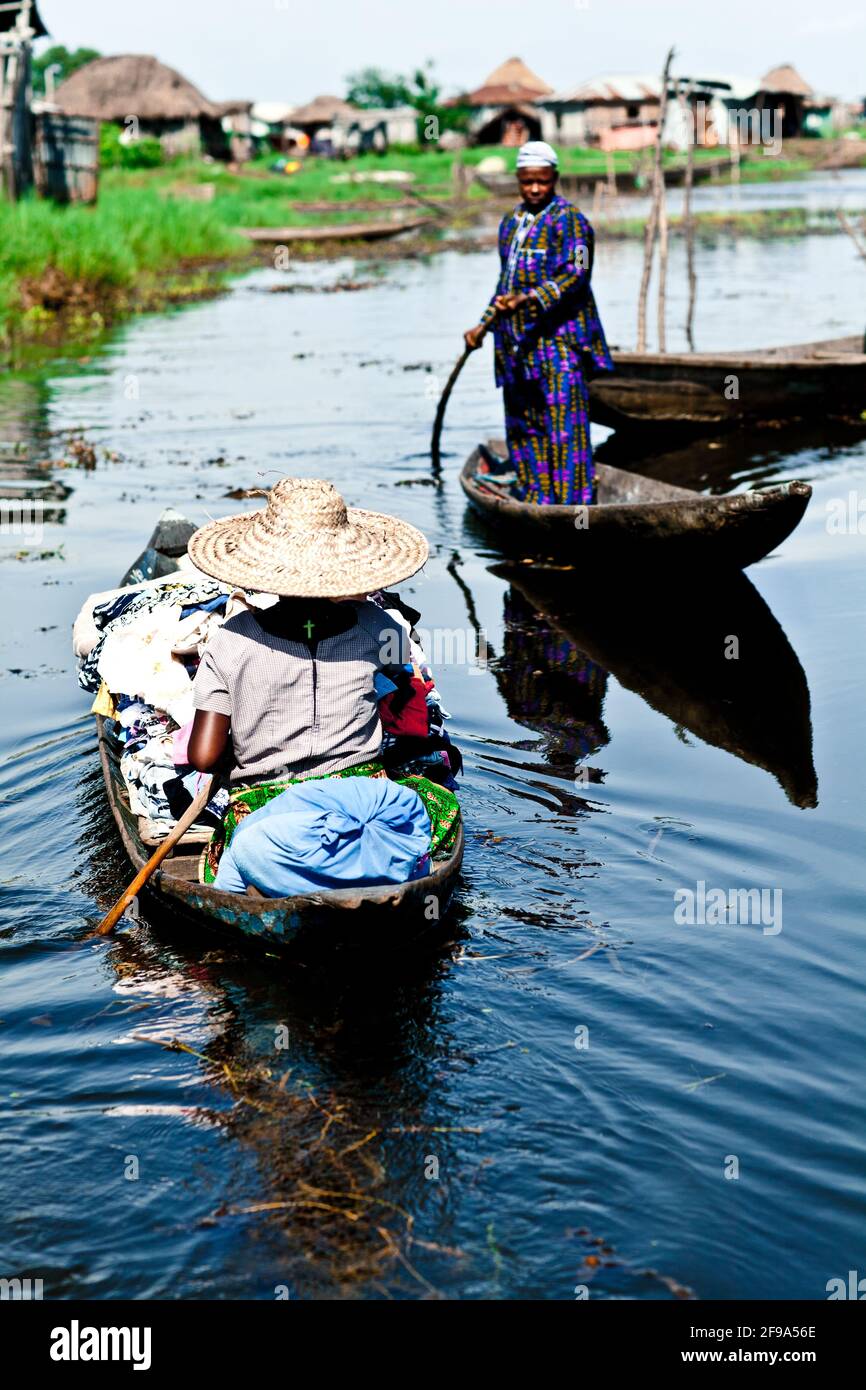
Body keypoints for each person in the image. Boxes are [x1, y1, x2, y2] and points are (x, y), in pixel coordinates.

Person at [185, 477, 461, 886]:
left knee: (238, 857)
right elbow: (402, 684)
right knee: (438, 805)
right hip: (365, 794)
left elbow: (204, 758)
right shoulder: (377, 625)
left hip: (265, 802)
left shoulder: (231, 639)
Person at [464, 140, 614, 506]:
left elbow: (576, 274)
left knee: (566, 433)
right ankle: (535, 505)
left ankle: (572, 515)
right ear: (518, 178)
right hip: (516, 348)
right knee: (523, 429)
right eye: (527, 181)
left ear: (555, 178)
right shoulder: (511, 223)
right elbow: (505, 284)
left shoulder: (571, 221)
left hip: (559, 347)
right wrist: (481, 327)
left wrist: (530, 298)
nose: (534, 188)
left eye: (543, 181)